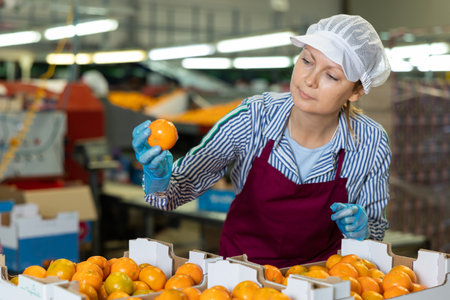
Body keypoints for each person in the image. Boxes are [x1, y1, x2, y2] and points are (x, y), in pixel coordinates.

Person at [132, 14, 391, 268]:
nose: (309, 80)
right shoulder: (253, 117)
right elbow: (171, 193)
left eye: (331, 76)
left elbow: (375, 235)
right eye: (307, 61)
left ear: (356, 91)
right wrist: (158, 176)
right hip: (241, 277)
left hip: (320, 282)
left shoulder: (371, 143)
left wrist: (363, 232)